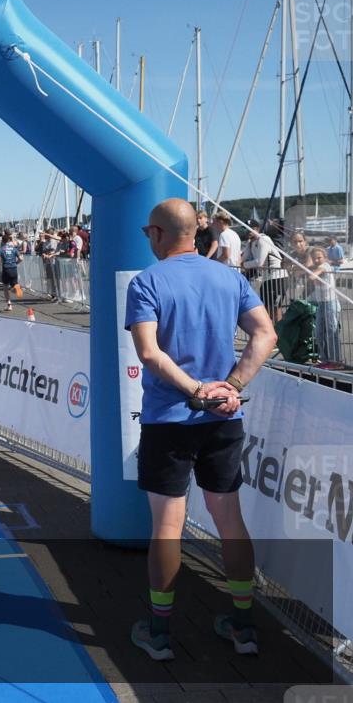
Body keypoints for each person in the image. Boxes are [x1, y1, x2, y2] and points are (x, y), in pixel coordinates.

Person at [126, 198, 276, 661]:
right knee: (229, 520)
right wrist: (228, 387)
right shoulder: (229, 277)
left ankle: (160, 632)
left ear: (156, 234)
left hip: (172, 420)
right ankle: (244, 626)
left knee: (167, 527)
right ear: (197, 233)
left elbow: (149, 354)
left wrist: (197, 389)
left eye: (147, 233)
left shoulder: (147, 281)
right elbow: (265, 335)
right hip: (223, 418)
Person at [242, 221, 288, 322]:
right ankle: (271, 332)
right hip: (267, 279)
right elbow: (242, 257)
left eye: (251, 228)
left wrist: (244, 265)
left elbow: (259, 262)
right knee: (266, 310)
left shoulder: (263, 239)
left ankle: (280, 334)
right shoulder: (251, 243)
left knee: (276, 309)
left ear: (257, 229)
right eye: (246, 228)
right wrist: (241, 262)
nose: (248, 231)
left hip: (278, 278)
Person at [309, 247, 342, 369]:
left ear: (324, 257)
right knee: (319, 332)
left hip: (330, 303)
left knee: (331, 332)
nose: (317, 260)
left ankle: (335, 361)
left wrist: (311, 273)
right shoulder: (316, 267)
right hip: (321, 303)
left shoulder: (326, 266)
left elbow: (313, 276)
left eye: (319, 257)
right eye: (314, 258)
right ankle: (324, 359)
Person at [0, 230, 22, 312]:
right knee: (14, 284)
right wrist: (16, 263)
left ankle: (9, 305)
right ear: (9, 240)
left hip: (6, 268)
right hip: (14, 268)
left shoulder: (1, 249)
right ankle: (16, 288)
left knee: (5, 287)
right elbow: (21, 258)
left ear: (3, 241)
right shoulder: (14, 249)